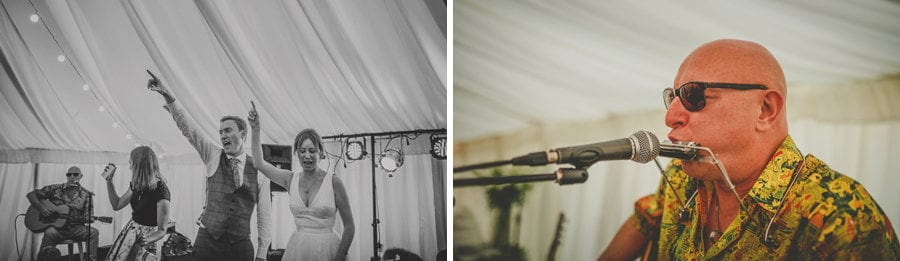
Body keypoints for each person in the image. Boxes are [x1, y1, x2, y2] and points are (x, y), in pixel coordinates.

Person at [599, 39, 900, 260]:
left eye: (693, 95)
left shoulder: (839, 215)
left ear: (765, 109)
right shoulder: (681, 179)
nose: (671, 116)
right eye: (672, 96)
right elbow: (645, 217)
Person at [149, 74, 272, 261]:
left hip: (241, 247)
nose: (223, 135)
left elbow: (264, 217)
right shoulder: (213, 155)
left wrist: (262, 254)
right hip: (207, 242)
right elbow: (189, 129)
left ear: (243, 133)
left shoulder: (260, 168)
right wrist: (167, 96)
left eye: (228, 130)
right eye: (220, 132)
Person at [247, 102, 355, 261]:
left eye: (312, 151)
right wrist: (255, 129)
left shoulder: (333, 182)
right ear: (296, 153)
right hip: (298, 249)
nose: (307, 156)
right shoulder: (290, 179)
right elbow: (259, 163)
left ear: (321, 153)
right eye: (302, 151)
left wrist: (340, 256)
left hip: (329, 250)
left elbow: (350, 226)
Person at [103, 146, 171, 261]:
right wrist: (109, 182)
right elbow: (117, 205)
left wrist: (147, 239)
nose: (130, 167)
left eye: (131, 164)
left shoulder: (161, 190)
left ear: (140, 165)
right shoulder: (136, 184)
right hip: (130, 231)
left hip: (147, 238)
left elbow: (162, 230)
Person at [27, 166, 100, 261]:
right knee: (49, 233)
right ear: (66, 176)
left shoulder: (86, 194)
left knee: (93, 232)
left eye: (75, 174)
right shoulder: (55, 188)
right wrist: (42, 208)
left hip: (76, 228)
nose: (72, 176)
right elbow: (31, 195)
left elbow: (88, 217)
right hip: (56, 229)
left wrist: (84, 218)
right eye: (69, 174)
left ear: (81, 176)